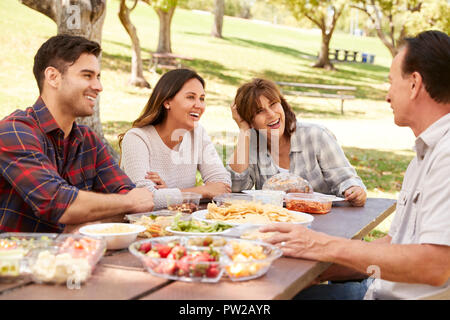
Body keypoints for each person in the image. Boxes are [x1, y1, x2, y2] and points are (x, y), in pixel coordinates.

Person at [260, 30, 450, 300]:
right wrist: (319, 271)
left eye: (390, 82)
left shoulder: (446, 155)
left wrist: (322, 245)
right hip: (373, 289)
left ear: (414, 84)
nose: (387, 96)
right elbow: (394, 245)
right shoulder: (425, 155)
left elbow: (435, 266)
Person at [0, 35, 154, 233]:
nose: (99, 87)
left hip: (73, 257)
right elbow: (58, 203)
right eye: (87, 75)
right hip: (15, 259)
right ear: (53, 77)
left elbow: (134, 201)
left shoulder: (87, 139)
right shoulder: (14, 132)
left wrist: (84, 224)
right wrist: (125, 203)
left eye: (98, 77)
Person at [227, 78, 366, 206]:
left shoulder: (316, 135)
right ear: (250, 121)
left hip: (322, 220)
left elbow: (345, 179)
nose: (271, 114)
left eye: (273, 104)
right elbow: (235, 188)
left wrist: (354, 190)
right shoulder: (250, 145)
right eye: (259, 111)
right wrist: (243, 129)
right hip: (276, 224)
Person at [119, 69, 231, 210]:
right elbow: (145, 200)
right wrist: (203, 191)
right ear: (167, 102)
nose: (199, 105)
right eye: (190, 97)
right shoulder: (137, 139)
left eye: (202, 98)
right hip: (143, 226)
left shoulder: (197, 133)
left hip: (183, 224)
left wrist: (167, 193)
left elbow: (222, 185)